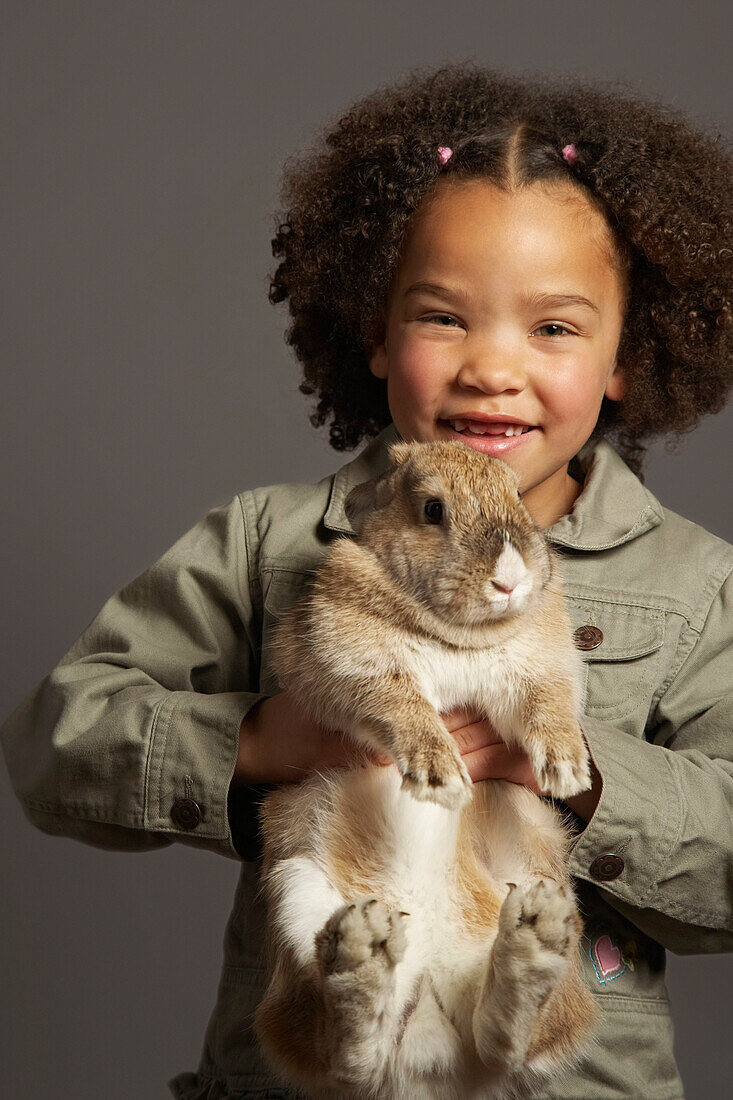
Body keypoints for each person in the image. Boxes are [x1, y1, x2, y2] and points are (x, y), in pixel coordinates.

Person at [2, 65, 731, 1100]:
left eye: (554, 327)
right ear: (374, 332)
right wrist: (263, 742)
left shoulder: (696, 584)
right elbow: (51, 741)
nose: (492, 366)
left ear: (629, 353)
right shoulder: (267, 540)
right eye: (443, 317)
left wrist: (579, 773)